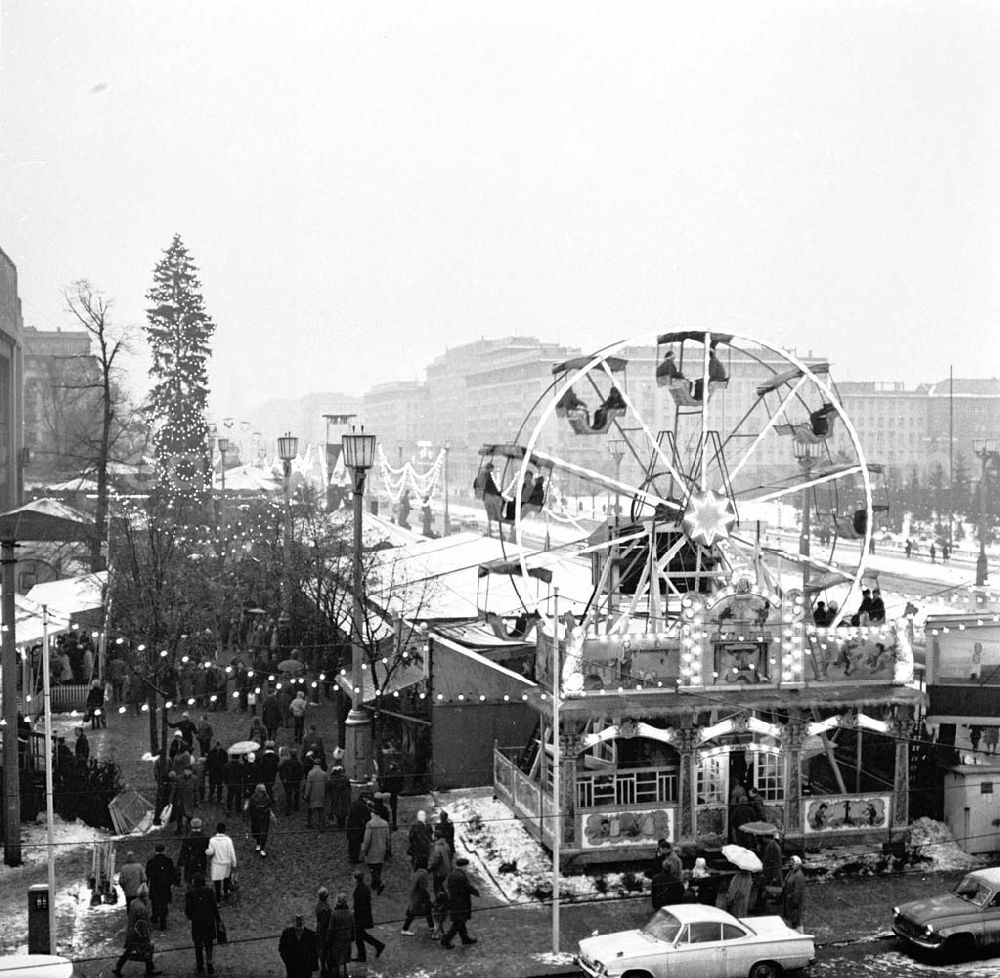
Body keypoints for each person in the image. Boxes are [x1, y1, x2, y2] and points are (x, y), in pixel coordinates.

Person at [113, 883, 161, 977]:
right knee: (148, 949)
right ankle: (149, 970)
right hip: (138, 934)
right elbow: (142, 925)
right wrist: (146, 937)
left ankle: (118, 967)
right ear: (145, 896)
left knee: (128, 950)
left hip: (131, 932)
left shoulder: (133, 903)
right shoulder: (142, 909)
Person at [185, 871, 221, 975]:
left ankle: (199, 964)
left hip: (197, 923)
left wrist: (193, 917)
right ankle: (209, 962)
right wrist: (217, 919)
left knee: (198, 944)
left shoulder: (190, 894)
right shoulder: (209, 892)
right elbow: (214, 907)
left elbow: (188, 911)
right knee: (209, 943)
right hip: (209, 921)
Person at [440, 857, 479, 948]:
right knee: (458, 923)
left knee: (461, 921)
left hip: (455, 901)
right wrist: (476, 891)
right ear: (464, 866)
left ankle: (465, 938)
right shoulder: (461, 876)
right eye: (466, 866)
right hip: (461, 902)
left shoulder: (453, 874)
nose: (467, 868)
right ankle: (446, 940)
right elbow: (467, 887)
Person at [352, 870, 386, 962]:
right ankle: (377, 946)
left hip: (360, 917)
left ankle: (363, 955)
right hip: (364, 916)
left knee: (359, 936)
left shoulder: (360, 890)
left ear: (356, 879)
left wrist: (354, 914)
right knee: (361, 935)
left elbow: (360, 905)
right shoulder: (364, 888)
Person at [361, 802, 390, 894]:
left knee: (372, 869)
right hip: (382, 849)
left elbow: (367, 839)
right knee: (379, 867)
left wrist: (363, 850)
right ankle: (375, 884)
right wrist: (387, 848)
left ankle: (379, 882)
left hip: (372, 850)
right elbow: (388, 837)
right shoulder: (385, 823)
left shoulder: (370, 824)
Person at [279, 913, 319, 978]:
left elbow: (314, 952)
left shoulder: (311, 934)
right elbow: (282, 948)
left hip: (306, 968)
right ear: (294, 921)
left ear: (304, 921)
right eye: (297, 920)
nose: (299, 922)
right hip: (292, 967)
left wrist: (314, 967)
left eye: (301, 920)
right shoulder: (287, 934)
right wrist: (287, 961)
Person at [145, 844, 175, 930]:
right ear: (164, 850)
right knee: (164, 903)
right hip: (165, 885)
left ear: (155, 850)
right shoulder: (168, 861)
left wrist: (146, 884)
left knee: (155, 902)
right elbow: (172, 873)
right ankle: (163, 921)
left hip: (155, 885)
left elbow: (148, 874)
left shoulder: (151, 861)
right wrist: (170, 882)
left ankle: (155, 917)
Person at [401, 859, 434, 935]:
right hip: (420, 897)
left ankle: (431, 927)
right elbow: (423, 888)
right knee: (425, 911)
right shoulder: (423, 875)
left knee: (415, 913)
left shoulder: (416, 873)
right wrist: (428, 897)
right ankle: (431, 928)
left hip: (414, 895)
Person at [206, 822, 237, 902]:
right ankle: (226, 893)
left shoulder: (212, 840)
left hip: (217, 864)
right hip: (226, 863)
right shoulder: (228, 840)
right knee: (226, 879)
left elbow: (211, 852)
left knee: (217, 882)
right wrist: (234, 864)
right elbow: (232, 853)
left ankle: (218, 897)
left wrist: (206, 851)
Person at [326, 893, 354, 978]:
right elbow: (353, 927)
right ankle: (345, 974)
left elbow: (330, 929)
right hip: (347, 941)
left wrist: (328, 940)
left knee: (337, 962)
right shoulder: (349, 913)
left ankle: (337, 975)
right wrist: (352, 938)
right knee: (345, 960)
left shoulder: (334, 914)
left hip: (337, 942)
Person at [178, 817, 211, 887]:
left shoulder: (187, 837)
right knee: (201, 876)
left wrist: (180, 861)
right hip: (201, 859)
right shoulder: (205, 837)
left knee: (189, 878)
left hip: (190, 860)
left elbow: (183, 850)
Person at [246, 782, 275, 856]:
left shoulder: (267, 798)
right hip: (255, 818)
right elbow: (250, 809)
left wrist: (271, 815)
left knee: (264, 833)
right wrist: (248, 817)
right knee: (256, 832)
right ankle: (258, 845)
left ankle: (262, 848)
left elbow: (269, 807)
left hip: (264, 818)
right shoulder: (253, 798)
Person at [118, 851, 147, 916]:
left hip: (128, 893)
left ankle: (130, 922)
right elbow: (144, 879)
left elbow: (121, 881)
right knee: (140, 907)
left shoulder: (123, 868)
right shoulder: (139, 867)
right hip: (139, 892)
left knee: (129, 907)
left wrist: (124, 888)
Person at [783, 855, 806, 932]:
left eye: (794, 863)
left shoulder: (798, 875)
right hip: (789, 902)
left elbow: (798, 891)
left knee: (796, 921)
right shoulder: (791, 872)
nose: (791, 864)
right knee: (792, 920)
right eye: (791, 863)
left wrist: (795, 902)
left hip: (794, 904)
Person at [303, 760, 328, 831]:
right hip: (322, 794)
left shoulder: (310, 773)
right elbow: (326, 785)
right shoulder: (324, 774)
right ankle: (322, 825)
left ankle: (316, 826)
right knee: (322, 810)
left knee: (315, 810)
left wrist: (306, 795)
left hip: (313, 794)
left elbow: (308, 785)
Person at [279, 747, 305, 815]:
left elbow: (281, 771)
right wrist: (299, 780)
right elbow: (302, 772)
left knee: (288, 795)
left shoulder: (286, 762)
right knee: (296, 793)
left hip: (287, 781)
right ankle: (296, 806)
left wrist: (283, 779)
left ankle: (288, 808)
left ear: (290, 754)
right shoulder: (299, 763)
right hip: (296, 781)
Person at [428, 825, 452, 894]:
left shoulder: (437, 847)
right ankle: (445, 901)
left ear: (435, 837)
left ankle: (442, 902)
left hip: (439, 871)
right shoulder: (446, 844)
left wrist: (429, 868)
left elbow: (435, 860)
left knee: (437, 888)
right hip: (446, 869)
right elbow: (449, 855)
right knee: (442, 886)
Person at [346, 795, 370, 863]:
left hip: (351, 825)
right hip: (358, 826)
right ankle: (355, 858)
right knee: (356, 843)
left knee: (351, 842)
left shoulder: (354, 804)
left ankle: (351, 856)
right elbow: (367, 817)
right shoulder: (363, 806)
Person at [327, 764, 351, 830]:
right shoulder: (345, 779)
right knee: (343, 810)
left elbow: (329, 789)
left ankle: (339, 823)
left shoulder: (332, 780)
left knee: (337, 810)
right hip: (344, 797)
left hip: (335, 797)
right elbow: (349, 788)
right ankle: (342, 823)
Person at [314, 887, 332, 976]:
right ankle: (325, 967)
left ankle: (325, 966)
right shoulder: (323, 908)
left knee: (323, 948)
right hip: (324, 930)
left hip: (322, 928)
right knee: (324, 948)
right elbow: (324, 921)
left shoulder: (320, 905)